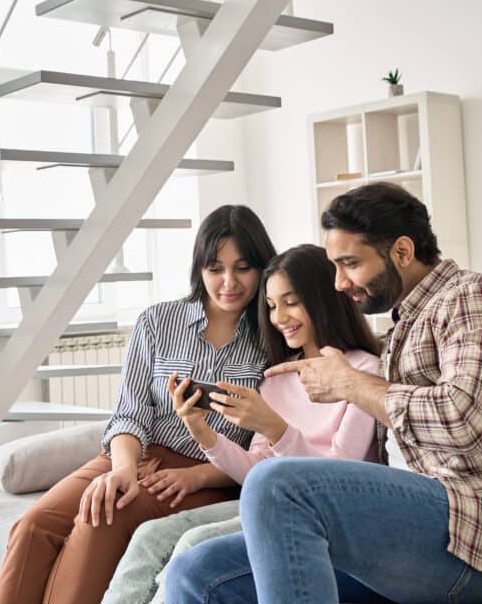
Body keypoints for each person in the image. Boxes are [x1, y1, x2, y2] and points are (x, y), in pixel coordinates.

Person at [165, 183, 482, 604]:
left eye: (350, 264)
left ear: (401, 251)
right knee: (195, 570)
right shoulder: (402, 328)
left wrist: (347, 384)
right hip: (415, 529)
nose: (339, 283)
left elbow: (462, 422)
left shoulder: (475, 299)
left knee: (278, 483)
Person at [0, 204, 276, 604]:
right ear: (200, 269)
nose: (229, 282)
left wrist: (198, 476)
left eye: (243, 268)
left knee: (102, 518)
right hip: (133, 455)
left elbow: (266, 449)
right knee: (33, 526)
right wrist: (123, 469)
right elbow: (129, 413)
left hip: (208, 473)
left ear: (262, 268)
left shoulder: (274, 338)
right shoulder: (158, 322)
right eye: (215, 268)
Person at [101, 244, 382, 604]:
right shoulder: (276, 380)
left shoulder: (362, 373)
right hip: (266, 501)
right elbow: (254, 472)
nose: (279, 317)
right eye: (272, 305)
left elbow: (338, 477)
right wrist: (201, 430)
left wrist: (276, 429)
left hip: (324, 516)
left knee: (192, 545)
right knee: (150, 537)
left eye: (291, 302)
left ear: (324, 298)